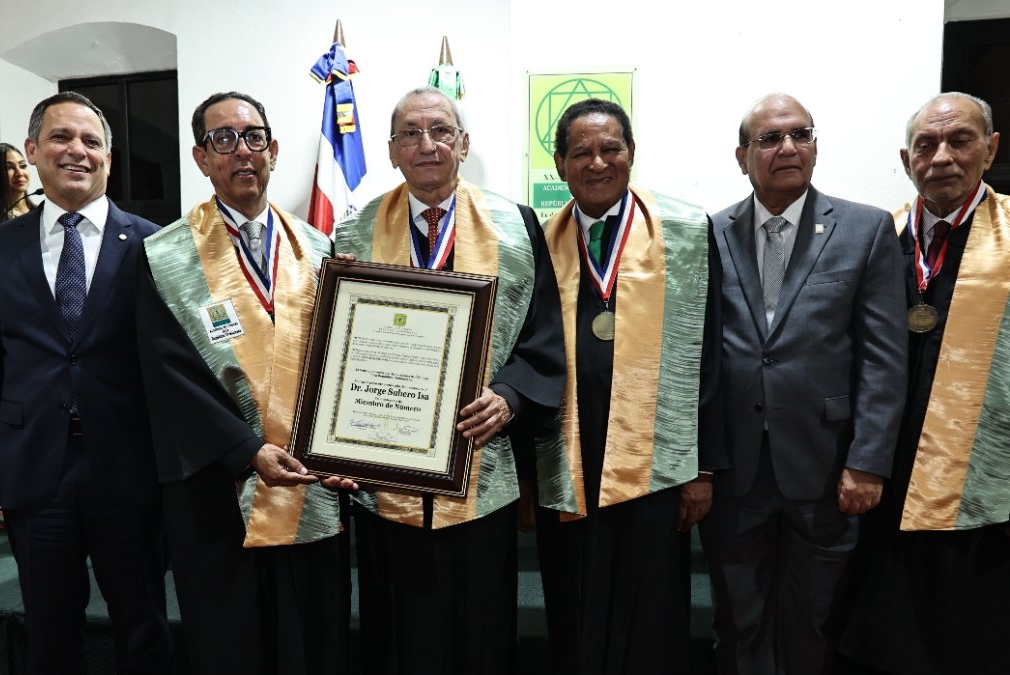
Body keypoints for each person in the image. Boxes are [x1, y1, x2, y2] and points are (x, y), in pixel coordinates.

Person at [333, 86, 565, 674]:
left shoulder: (516, 225)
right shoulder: (353, 232)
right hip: (385, 475)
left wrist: (509, 398)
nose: (427, 144)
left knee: (479, 631)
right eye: (410, 133)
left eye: (440, 131)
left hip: (479, 475)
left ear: (464, 144)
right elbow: (331, 342)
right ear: (390, 151)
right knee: (396, 632)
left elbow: (544, 334)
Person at [135, 91, 350, 675]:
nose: (241, 152)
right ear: (202, 159)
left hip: (313, 480)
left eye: (253, 137)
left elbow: (343, 358)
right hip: (217, 487)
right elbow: (167, 372)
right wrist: (246, 449)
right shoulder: (163, 255)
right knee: (233, 644)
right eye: (223, 139)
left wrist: (347, 440)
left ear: (274, 151)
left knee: (314, 638)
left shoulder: (319, 247)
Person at [0, 92, 172, 674]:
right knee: (50, 632)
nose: (77, 151)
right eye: (60, 138)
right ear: (32, 150)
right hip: (33, 469)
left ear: (109, 157)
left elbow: (171, 367)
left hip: (129, 468)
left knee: (142, 625)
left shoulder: (156, 245)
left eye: (92, 141)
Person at [698, 93, 907, 675]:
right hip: (736, 473)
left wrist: (868, 461)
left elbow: (884, 360)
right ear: (742, 156)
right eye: (769, 139)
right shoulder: (709, 233)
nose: (787, 147)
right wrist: (701, 463)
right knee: (737, 624)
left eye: (801, 135)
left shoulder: (866, 230)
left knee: (813, 624)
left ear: (815, 146)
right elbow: (701, 358)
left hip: (827, 468)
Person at [528, 98, 725, 674]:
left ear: (631, 154)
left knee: (651, 610)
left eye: (610, 148)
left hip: (656, 465)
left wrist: (704, 468)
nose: (597, 163)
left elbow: (712, 355)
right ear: (560, 164)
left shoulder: (687, 233)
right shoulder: (536, 241)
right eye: (581, 152)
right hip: (567, 459)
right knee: (572, 601)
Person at [838, 92, 1009, 675]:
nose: (942, 157)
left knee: (966, 628)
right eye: (926, 145)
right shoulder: (876, 238)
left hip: (982, 479)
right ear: (906, 157)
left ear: (990, 149)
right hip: (882, 467)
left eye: (960, 140)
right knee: (878, 625)